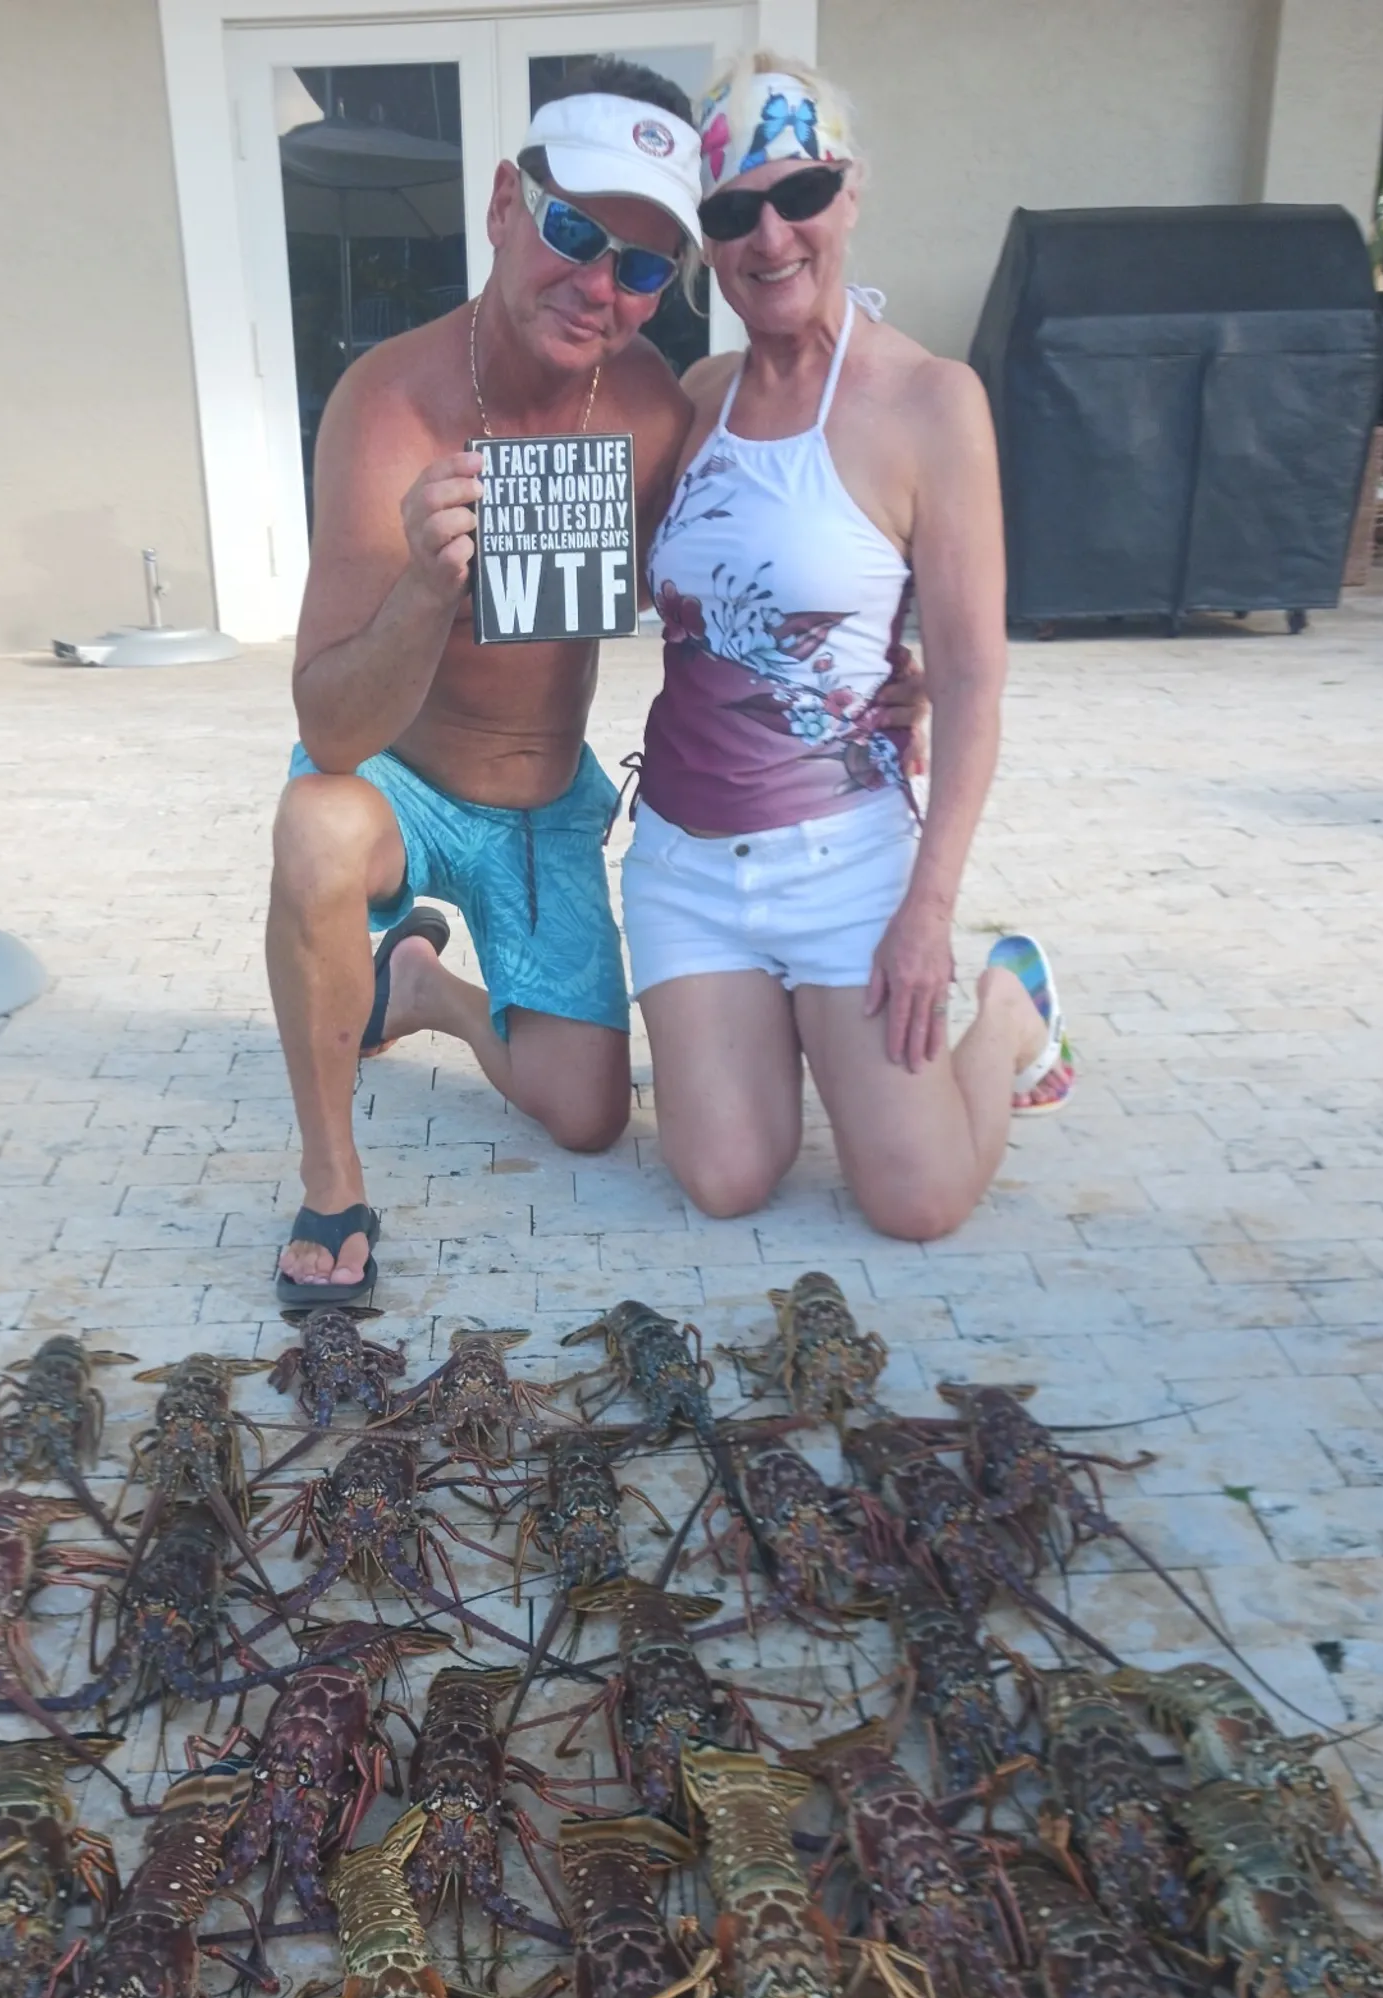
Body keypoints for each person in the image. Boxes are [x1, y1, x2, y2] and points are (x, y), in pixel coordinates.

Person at [265, 62, 702, 1306]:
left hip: (541, 809)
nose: (600, 285)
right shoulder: (387, 404)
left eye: (643, 267)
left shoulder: (655, 414)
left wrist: (878, 667)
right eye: (575, 232)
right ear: (506, 205)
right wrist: (421, 587)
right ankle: (332, 1174)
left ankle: (423, 987)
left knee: (587, 1116)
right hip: (397, 785)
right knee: (314, 828)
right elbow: (330, 728)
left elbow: (727, 574)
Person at [625, 53, 1073, 1246]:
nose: (768, 235)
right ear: (707, 242)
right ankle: (784, 1032)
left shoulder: (931, 401)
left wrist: (928, 913)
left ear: (850, 193)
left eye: (799, 194)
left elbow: (973, 680)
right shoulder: (700, 392)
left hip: (846, 868)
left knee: (914, 1202)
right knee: (725, 1176)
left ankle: (1014, 1010)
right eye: (730, 212)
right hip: (683, 863)